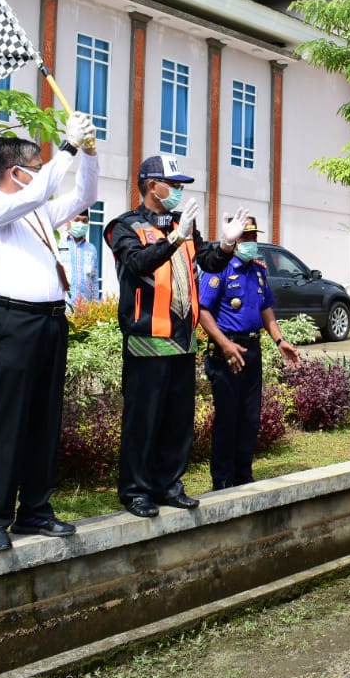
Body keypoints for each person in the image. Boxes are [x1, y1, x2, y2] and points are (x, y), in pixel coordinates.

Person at [0, 111, 98, 552]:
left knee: (45, 417)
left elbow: (85, 196)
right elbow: (43, 188)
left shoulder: (39, 210)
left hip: (49, 320)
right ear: (16, 173)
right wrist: (68, 147)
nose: (44, 172)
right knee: (9, 420)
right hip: (14, 321)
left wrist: (90, 155)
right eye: (37, 166)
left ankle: (36, 511)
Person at [103, 155, 251, 518]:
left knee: (177, 421)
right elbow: (137, 264)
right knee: (143, 421)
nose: (180, 191)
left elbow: (208, 261)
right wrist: (175, 237)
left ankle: (169, 485)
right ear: (152, 185)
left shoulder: (182, 225)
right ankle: (137, 491)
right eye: (175, 184)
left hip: (182, 342)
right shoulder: (124, 226)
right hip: (147, 341)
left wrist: (227, 245)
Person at [198, 216, 300, 490]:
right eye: (245, 238)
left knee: (250, 417)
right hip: (227, 353)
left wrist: (280, 340)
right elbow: (203, 311)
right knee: (228, 417)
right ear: (233, 239)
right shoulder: (218, 268)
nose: (251, 243)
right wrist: (224, 344)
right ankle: (222, 479)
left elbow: (266, 308)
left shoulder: (258, 271)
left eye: (253, 238)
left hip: (252, 350)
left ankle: (244, 475)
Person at [59, 211, 100, 306]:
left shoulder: (91, 249)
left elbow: (94, 279)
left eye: (84, 221)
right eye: (77, 220)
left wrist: (96, 305)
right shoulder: (58, 244)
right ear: (67, 222)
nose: (81, 224)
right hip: (63, 307)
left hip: (85, 309)